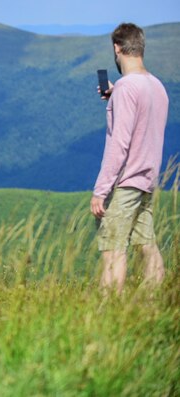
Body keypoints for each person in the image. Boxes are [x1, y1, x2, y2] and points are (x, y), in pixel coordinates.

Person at [91, 23, 168, 294]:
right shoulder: (157, 87)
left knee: (113, 250)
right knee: (147, 246)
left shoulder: (126, 88)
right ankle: (151, 304)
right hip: (147, 181)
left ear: (117, 48)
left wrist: (101, 191)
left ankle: (110, 313)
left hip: (125, 184)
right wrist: (116, 95)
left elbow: (119, 145)